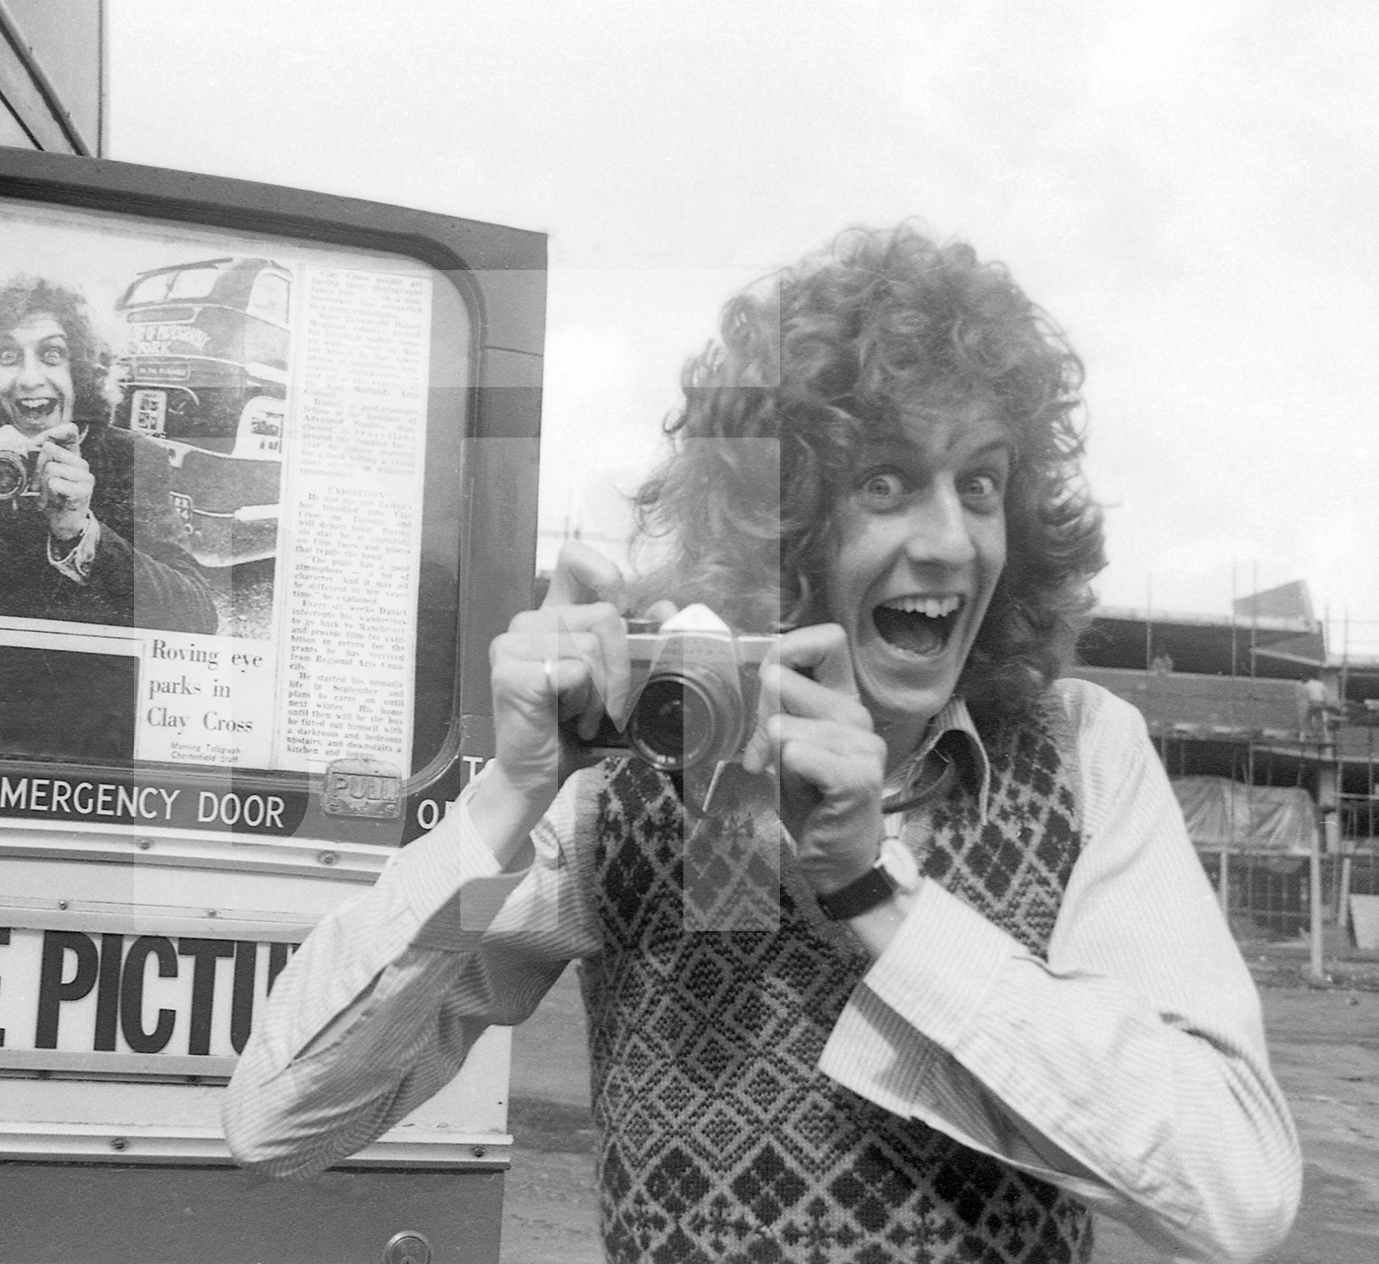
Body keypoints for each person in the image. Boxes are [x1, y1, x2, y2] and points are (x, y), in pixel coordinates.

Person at [223, 225, 1300, 1263]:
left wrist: (874, 892)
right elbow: (281, 1118)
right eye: (884, 481)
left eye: (979, 482)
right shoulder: (637, 780)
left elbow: (1238, 1188)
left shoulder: (1080, 752)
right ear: (786, 516)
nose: (950, 539)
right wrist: (511, 793)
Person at [0, 274, 217, 634]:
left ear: (83, 368)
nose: (28, 378)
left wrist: (81, 532)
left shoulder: (132, 458)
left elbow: (197, 618)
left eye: (51, 354)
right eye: (7, 356)